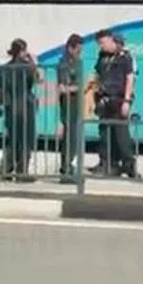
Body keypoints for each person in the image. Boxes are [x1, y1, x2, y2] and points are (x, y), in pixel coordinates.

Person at [90, 30, 137, 178]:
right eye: (99, 44)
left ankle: (129, 165)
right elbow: (97, 74)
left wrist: (127, 101)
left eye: (103, 43)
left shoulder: (125, 57)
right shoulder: (102, 57)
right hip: (104, 99)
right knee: (104, 133)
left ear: (112, 41)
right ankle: (107, 163)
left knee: (121, 134)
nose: (101, 46)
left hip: (119, 99)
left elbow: (130, 78)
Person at [0, 38, 38, 181]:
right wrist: (33, 62)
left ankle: (6, 170)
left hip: (10, 107)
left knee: (12, 139)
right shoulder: (28, 67)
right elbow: (39, 79)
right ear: (21, 52)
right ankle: (21, 172)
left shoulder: (4, 68)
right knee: (26, 140)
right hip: (26, 106)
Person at [57, 34, 83, 180]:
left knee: (74, 139)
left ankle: (70, 167)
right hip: (68, 105)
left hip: (76, 105)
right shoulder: (65, 64)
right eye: (78, 50)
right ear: (70, 48)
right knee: (69, 139)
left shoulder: (77, 61)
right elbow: (62, 88)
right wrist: (79, 88)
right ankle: (66, 169)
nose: (80, 53)